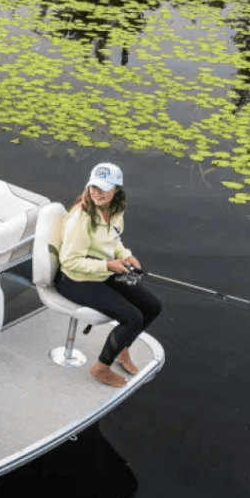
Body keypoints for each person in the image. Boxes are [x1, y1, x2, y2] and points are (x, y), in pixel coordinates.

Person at [55, 162, 162, 387]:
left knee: (152, 306)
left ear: (116, 190)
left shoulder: (115, 210)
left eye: (104, 188)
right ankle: (101, 368)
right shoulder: (80, 219)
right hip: (75, 279)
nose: (97, 193)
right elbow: (69, 261)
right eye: (93, 186)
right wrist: (108, 266)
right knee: (132, 317)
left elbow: (114, 240)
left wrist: (126, 256)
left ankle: (122, 348)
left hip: (102, 269)